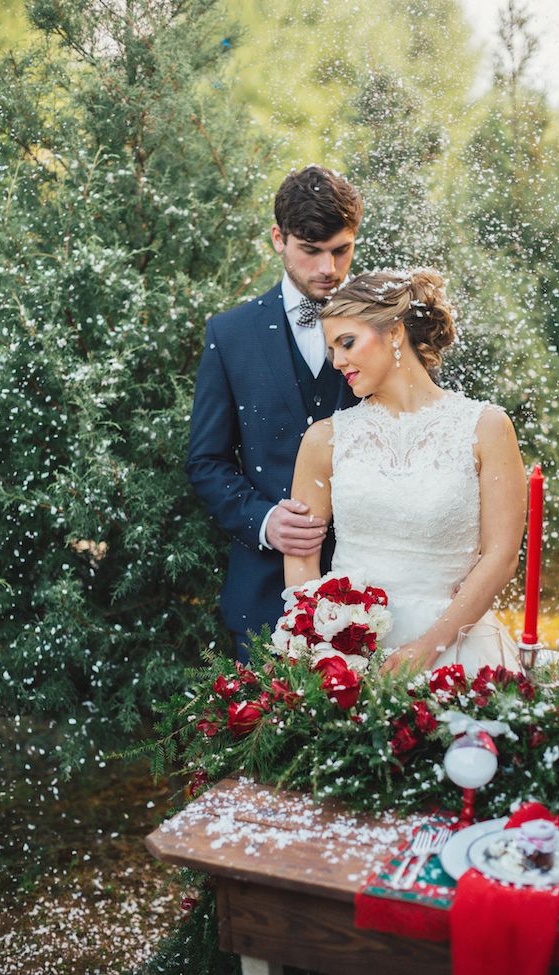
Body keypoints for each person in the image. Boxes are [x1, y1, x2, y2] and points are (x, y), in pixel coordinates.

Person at [284, 268, 527, 675]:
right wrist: (318, 649)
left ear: (395, 333)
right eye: (331, 350)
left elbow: (501, 556)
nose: (338, 361)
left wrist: (428, 648)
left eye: (347, 342)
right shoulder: (324, 439)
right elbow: (301, 555)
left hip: (455, 648)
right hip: (346, 656)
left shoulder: (486, 427)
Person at [187, 166, 362, 660]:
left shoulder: (383, 330)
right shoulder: (230, 335)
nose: (329, 267)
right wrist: (263, 521)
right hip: (264, 602)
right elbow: (206, 461)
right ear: (278, 239)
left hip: (372, 586)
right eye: (311, 250)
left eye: (341, 249)